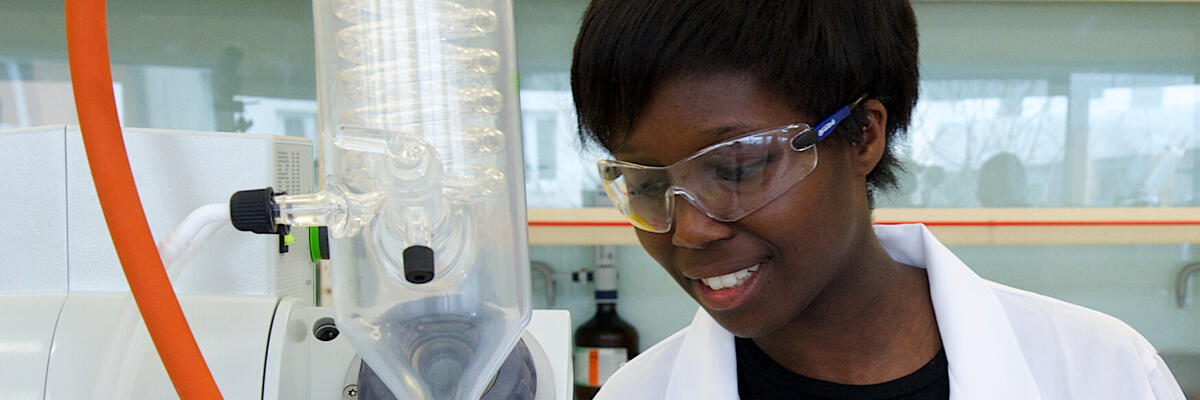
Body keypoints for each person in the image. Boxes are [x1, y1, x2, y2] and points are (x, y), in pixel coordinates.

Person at [569, 0, 1185, 399]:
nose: (690, 232)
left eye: (737, 168)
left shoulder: (1102, 372)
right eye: (648, 183)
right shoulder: (636, 393)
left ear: (863, 134)